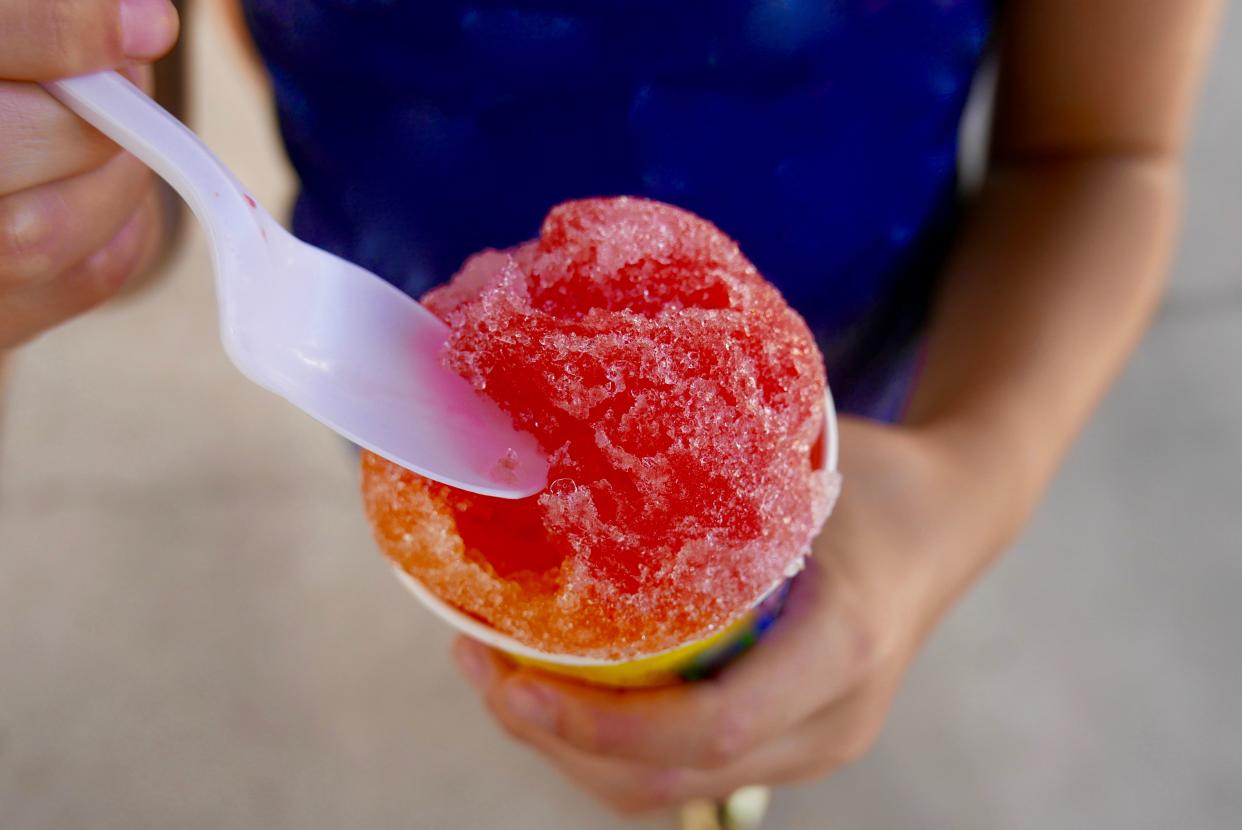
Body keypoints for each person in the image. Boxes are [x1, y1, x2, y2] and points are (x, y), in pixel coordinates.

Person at [0, 0, 1222, 817]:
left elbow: (1103, 155)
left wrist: (966, 477)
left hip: (857, 371)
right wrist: (41, 210)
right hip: (399, 368)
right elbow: (133, 209)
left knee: (739, 648)